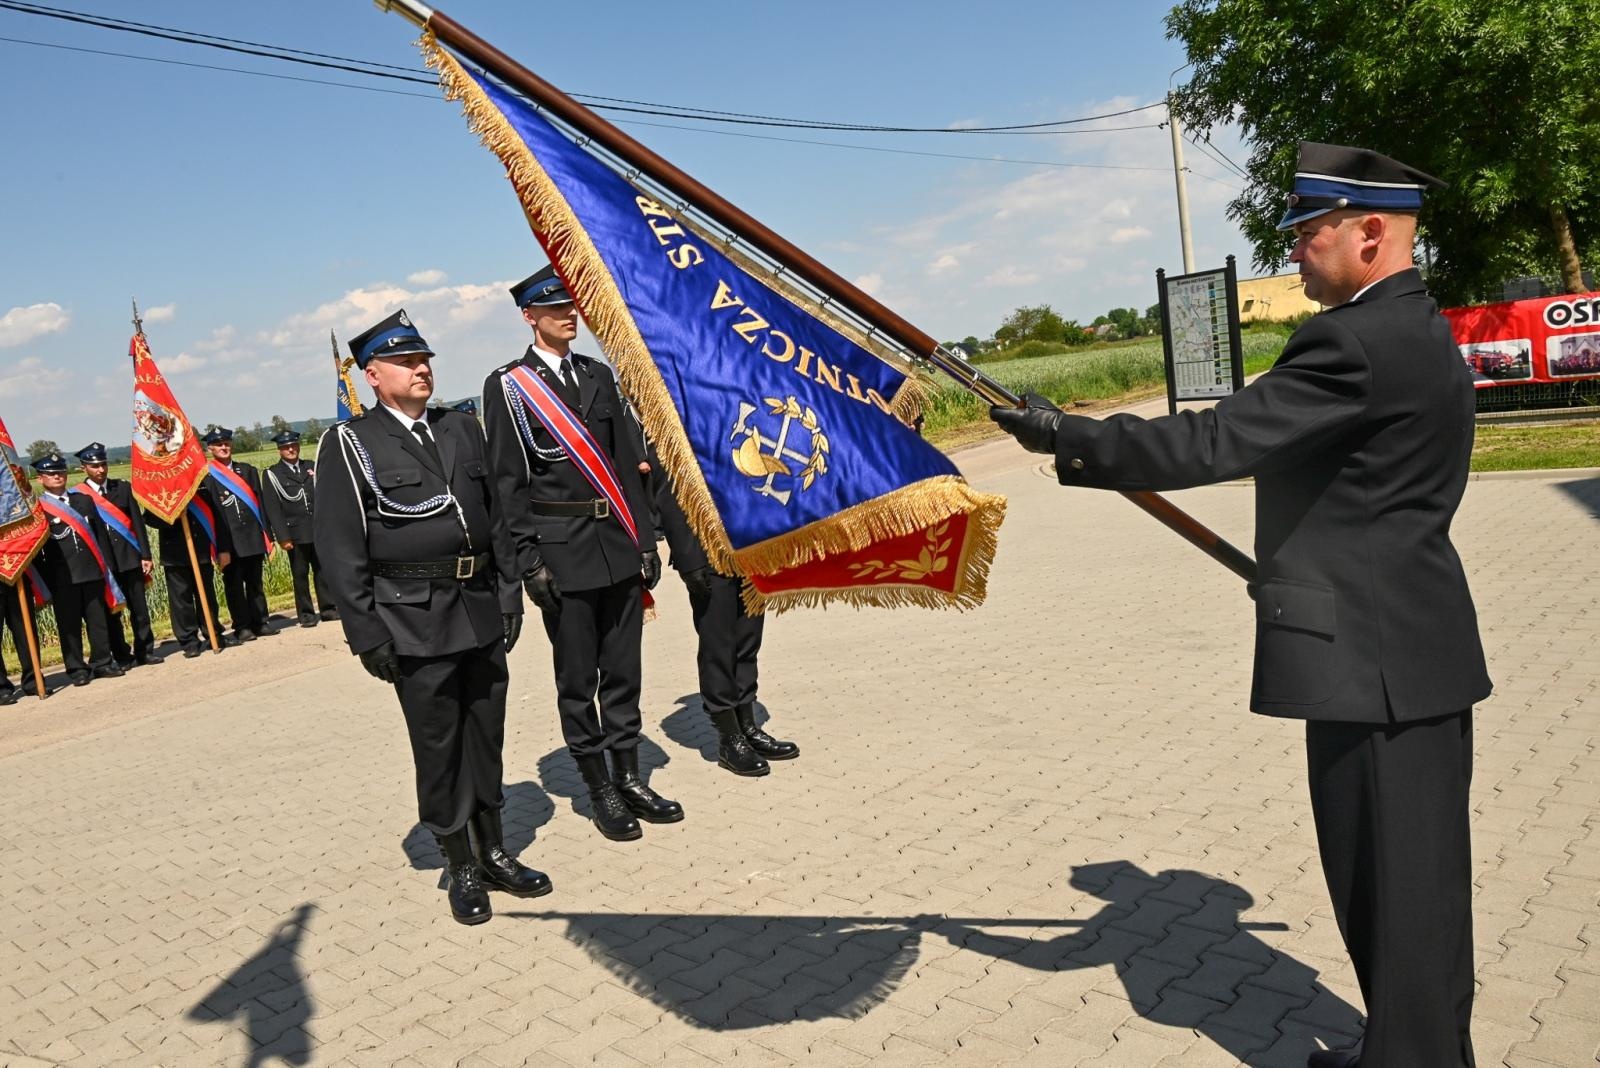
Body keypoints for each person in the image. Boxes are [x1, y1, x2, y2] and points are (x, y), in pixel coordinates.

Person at [991, 142, 1488, 1068]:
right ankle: (1405, 1045)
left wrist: (1072, 438)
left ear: (1370, 232)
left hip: (1374, 662)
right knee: (1404, 889)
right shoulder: (1414, 325)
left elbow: (1219, 440)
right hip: (1402, 648)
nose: (1293, 250)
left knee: (1398, 892)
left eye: (1308, 232)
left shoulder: (1352, 340)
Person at [316, 308, 548, 925]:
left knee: (486, 733)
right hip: (411, 620)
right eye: (406, 361)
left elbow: (496, 519)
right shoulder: (350, 444)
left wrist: (507, 597)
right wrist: (366, 634)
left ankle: (496, 850)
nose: (422, 370)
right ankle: (461, 865)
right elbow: (341, 550)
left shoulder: (461, 428)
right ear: (372, 374)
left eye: (425, 360)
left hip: (477, 610)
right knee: (439, 744)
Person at [482, 264, 675, 842]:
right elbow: (507, 485)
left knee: (623, 673)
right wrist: (528, 564)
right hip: (561, 555)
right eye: (555, 307)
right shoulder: (510, 386)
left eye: (572, 306)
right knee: (577, 680)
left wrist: (644, 539)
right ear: (530, 317)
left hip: (616, 546)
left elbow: (623, 466)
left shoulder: (597, 375)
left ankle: (630, 777)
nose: (570, 315)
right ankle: (599, 790)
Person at [654, 469, 798, 776]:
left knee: (748, 638)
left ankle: (747, 725)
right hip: (706, 549)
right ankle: (728, 737)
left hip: (747, 540)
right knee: (718, 643)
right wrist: (688, 557)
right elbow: (669, 490)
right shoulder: (679, 421)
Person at [31, 452, 124, 686]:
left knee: (98, 620)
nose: (57, 477)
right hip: (63, 577)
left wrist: (108, 568)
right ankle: (77, 668)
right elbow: (38, 552)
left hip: (92, 571)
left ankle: (102, 662)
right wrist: (46, 580)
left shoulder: (83, 500)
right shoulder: (40, 509)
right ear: (41, 478)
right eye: (51, 474)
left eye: (61, 472)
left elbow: (100, 537)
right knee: (69, 626)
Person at [72, 442, 161, 668]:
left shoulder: (122, 488)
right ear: (84, 468)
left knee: (139, 609)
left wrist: (146, 554)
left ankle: (145, 650)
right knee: (113, 613)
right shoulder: (79, 498)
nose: (100, 470)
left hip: (130, 558)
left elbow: (138, 525)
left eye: (103, 464)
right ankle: (122, 655)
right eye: (94, 466)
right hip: (105, 565)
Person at [203, 427, 276, 641]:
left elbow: (260, 505)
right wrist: (220, 547)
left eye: (226, 443)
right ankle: (242, 626)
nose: (224, 447)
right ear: (210, 448)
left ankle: (261, 621)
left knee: (255, 583)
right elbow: (212, 516)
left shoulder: (248, 471)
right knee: (234, 587)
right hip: (229, 541)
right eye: (218, 444)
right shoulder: (208, 476)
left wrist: (267, 535)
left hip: (252, 536)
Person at [144, 481, 233, 657]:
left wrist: (223, 548)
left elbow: (218, 516)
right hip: (174, 553)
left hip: (201, 548)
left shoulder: (202, 481)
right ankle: (189, 641)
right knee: (180, 599)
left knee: (207, 596)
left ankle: (212, 633)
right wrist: (171, 517)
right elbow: (149, 518)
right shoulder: (161, 486)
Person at [262, 430, 335, 628]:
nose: (291, 450)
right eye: (286, 447)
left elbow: (324, 498)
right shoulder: (273, 474)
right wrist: (282, 537)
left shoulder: (311, 467)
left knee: (322, 571)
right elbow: (273, 509)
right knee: (300, 575)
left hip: (317, 529)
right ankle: (306, 614)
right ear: (279, 451)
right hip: (294, 533)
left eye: (293, 446)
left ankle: (328, 608)